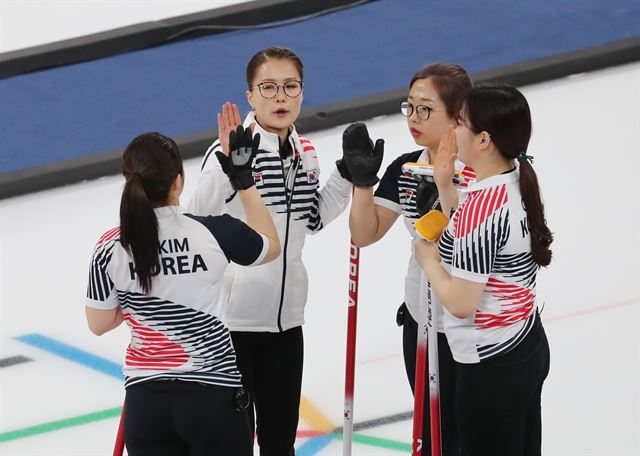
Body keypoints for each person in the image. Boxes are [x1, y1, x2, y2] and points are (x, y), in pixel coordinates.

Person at [188, 46, 353, 455]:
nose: (280, 97)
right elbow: (195, 217)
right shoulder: (226, 148)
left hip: (286, 325)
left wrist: (346, 176)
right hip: (231, 325)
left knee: (280, 443)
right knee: (235, 443)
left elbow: (311, 219)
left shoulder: (306, 152)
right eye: (269, 87)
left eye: (290, 86)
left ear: (302, 92)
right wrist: (231, 169)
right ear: (250, 95)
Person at [85, 128, 280, 456]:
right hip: (212, 397)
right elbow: (270, 247)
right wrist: (243, 181)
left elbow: (99, 323)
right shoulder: (214, 232)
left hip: (146, 405)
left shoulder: (110, 247)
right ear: (178, 180)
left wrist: (138, 298)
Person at [343, 63, 474, 455]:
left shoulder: (481, 168)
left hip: (472, 324)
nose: (414, 119)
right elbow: (364, 233)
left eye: (426, 109)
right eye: (410, 107)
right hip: (421, 322)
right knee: (432, 435)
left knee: (470, 433)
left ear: (458, 115)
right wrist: (363, 184)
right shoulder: (406, 167)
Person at [415, 83, 552, 455]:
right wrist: (446, 189)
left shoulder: (483, 205)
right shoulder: (515, 181)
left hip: (492, 365)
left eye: (459, 123)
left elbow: (461, 302)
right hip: (526, 343)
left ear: (484, 139)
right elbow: (469, 244)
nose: (452, 131)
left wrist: (428, 263)